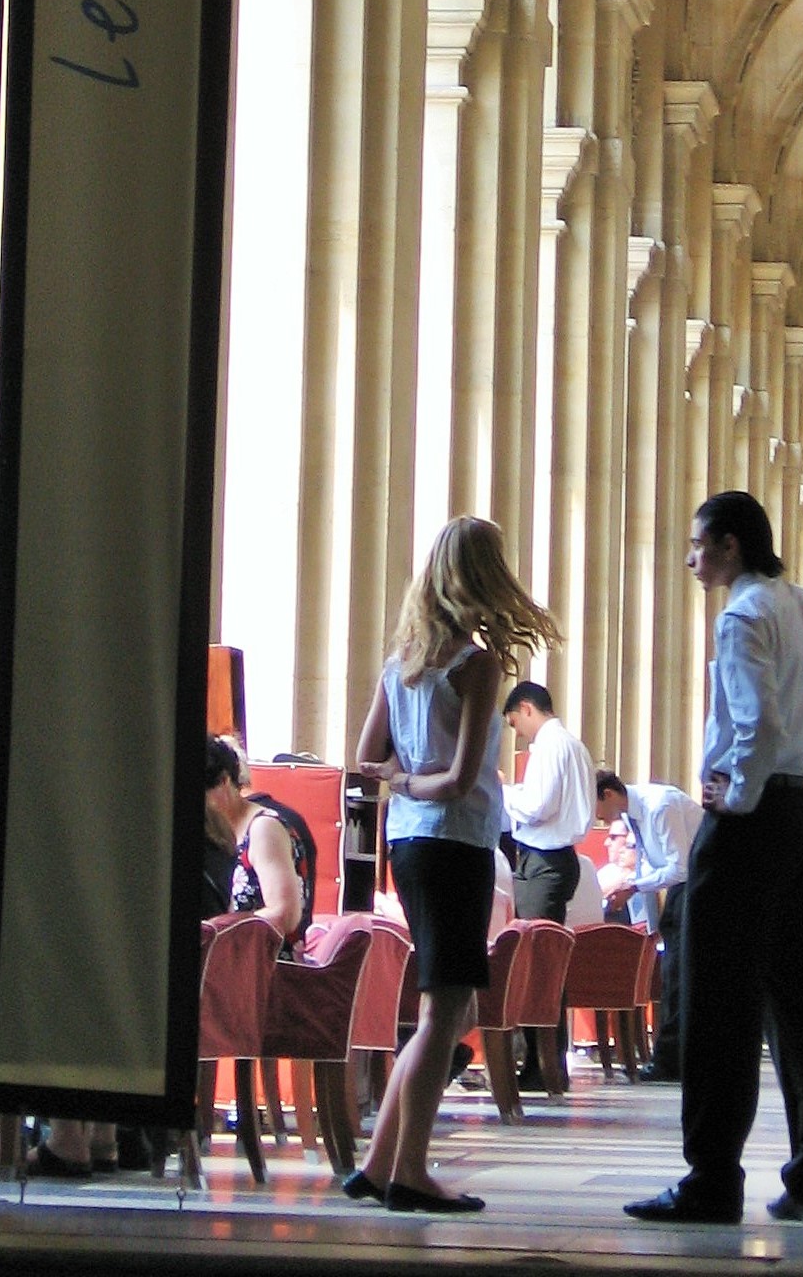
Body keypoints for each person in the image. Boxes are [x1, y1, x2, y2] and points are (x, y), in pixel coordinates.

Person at [625, 491, 803, 1228]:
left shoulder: (744, 616)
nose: (690, 559)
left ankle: (711, 1178)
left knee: (718, 1000)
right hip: (801, 824)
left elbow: (757, 725)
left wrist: (741, 796)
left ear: (729, 545)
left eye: (697, 545)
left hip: (748, 826)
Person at [347, 515, 560, 1213]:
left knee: (449, 1003)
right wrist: (418, 781)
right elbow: (465, 777)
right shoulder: (474, 664)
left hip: (409, 844)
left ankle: (379, 1163)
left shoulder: (402, 663)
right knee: (445, 1010)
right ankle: (409, 1171)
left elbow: (366, 757)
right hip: (456, 843)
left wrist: (401, 780)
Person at [596, 770, 702, 1082]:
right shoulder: (633, 815)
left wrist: (633, 886)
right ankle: (672, 1058)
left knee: (678, 973)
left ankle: (671, 1060)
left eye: (593, 805)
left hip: (699, 882)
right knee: (673, 973)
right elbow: (650, 864)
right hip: (685, 885)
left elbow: (679, 867)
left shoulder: (659, 806)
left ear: (608, 794)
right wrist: (633, 886)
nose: (594, 816)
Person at [205, 735, 313, 952]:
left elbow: (285, 914)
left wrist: (219, 931)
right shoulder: (218, 832)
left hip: (265, 960)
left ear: (224, 781)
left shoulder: (263, 828)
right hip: (231, 955)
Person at [500, 681, 595, 922]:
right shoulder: (573, 745)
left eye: (514, 723)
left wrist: (503, 791)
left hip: (545, 859)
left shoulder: (550, 745)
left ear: (526, 708)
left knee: (534, 938)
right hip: (555, 858)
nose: (518, 734)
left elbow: (537, 806)